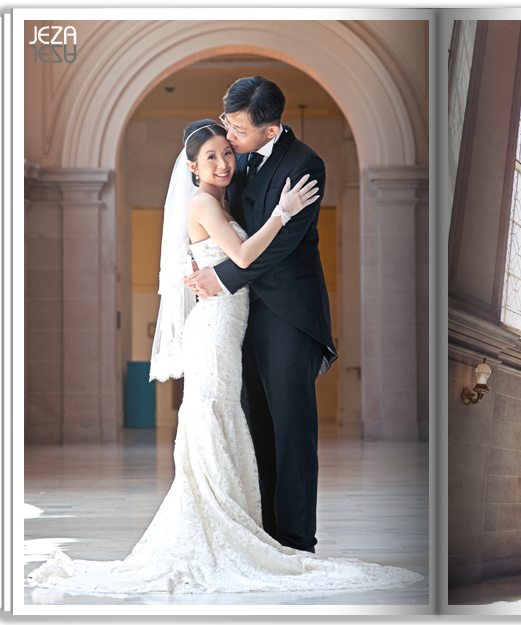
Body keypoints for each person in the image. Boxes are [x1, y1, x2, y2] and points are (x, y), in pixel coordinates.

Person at [27, 121, 421, 594]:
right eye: (211, 157)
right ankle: (215, 525)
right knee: (213, 414)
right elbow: (245, 256)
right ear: (191, 166)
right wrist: (283, 211)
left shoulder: (221, 201)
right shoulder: (201, 203)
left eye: (226, 153)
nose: (223, 163)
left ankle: (232, 520)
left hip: (230, 325)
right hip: (214, 329)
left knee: (225, 418)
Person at [185, 77, 336, 554]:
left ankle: (295, 539)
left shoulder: (305, 164)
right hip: (242, 315)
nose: (228, 139)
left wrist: (223, 277)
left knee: (292, 426)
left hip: (289, 312)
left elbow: (284, 245)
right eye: (227, 123)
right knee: (255, 424)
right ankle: (264, 530)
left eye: (239, 131)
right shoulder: (235, 162)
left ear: (270, 131)